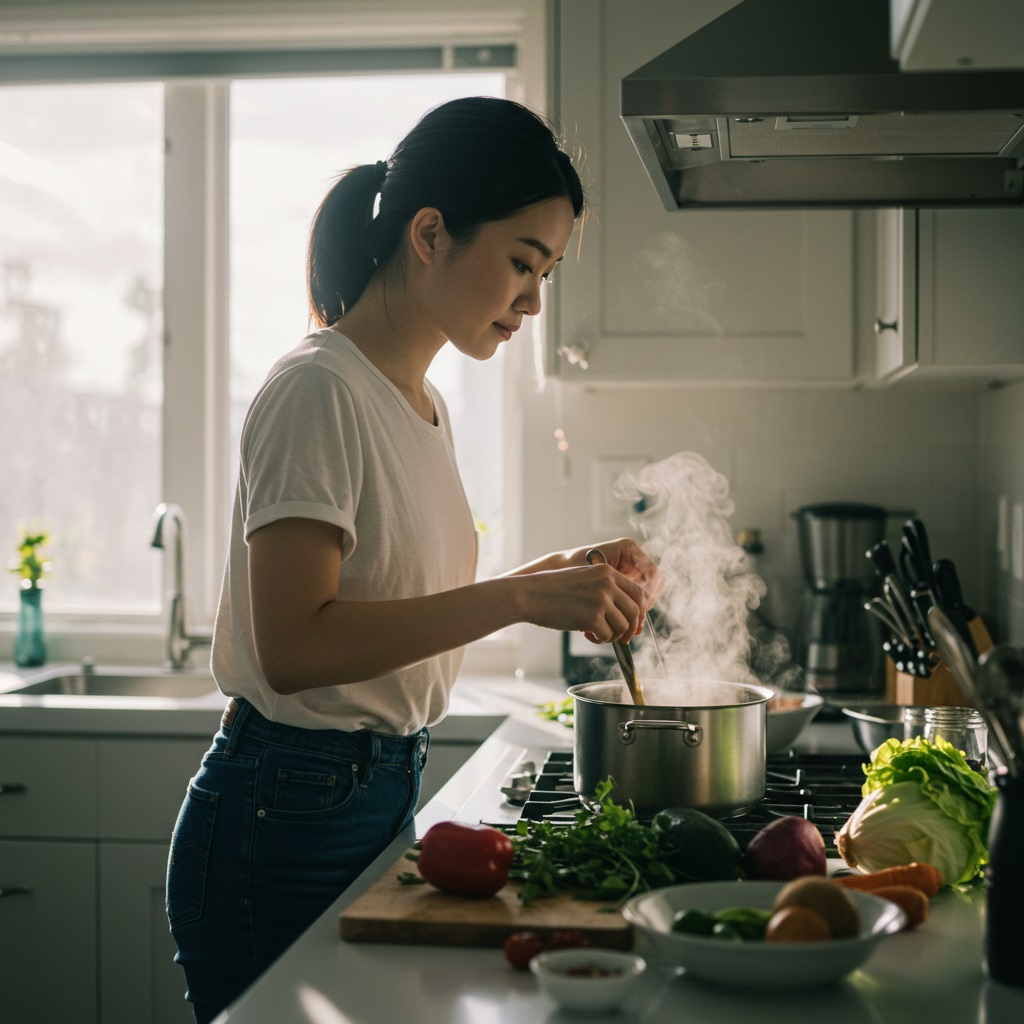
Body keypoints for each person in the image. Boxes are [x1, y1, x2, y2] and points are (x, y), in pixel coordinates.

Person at [165, 95, 663, 1024]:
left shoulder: (416, 403)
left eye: (546, 271)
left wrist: (556, 575)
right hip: (283, 816)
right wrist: (517, 597)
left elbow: (393, 599)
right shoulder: (319, 389)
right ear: (430, 233)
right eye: (522, 262)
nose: (534, 300)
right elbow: (297, 647)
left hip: (364, 795)